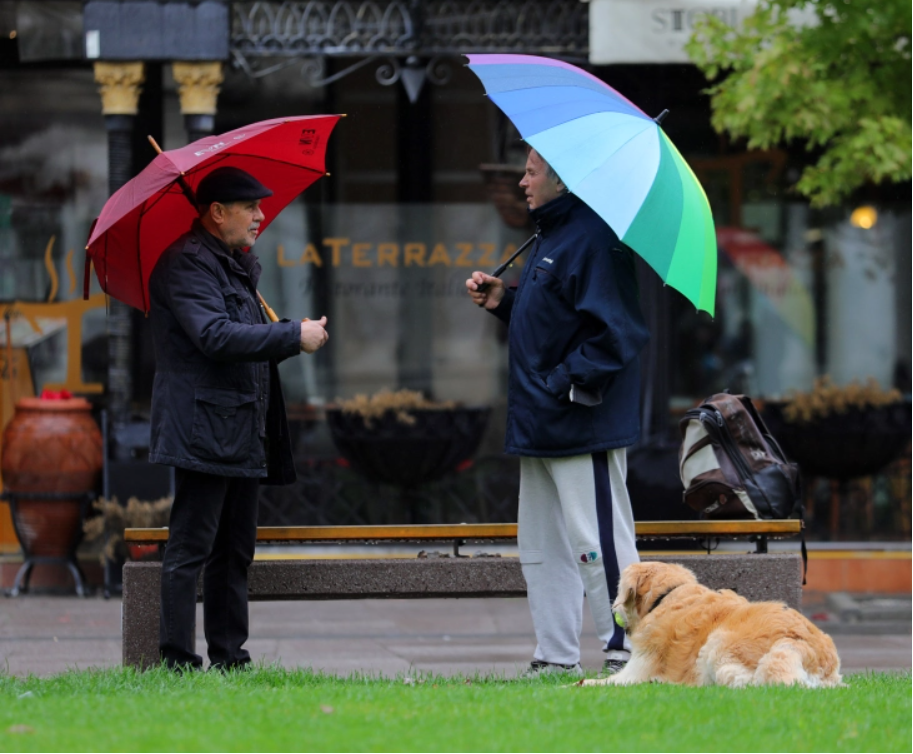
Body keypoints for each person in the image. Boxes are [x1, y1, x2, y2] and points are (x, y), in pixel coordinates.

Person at [465, 148, 650, 677]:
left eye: (531, 171)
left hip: (578, 422)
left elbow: (620, 333)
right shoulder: (555, 235)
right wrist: (506, 301)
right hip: (543, 422)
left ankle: (627, 651)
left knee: (599, 542)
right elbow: (557, 322)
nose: (522, 181)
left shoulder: (593, 238)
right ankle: (554, 657)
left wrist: (561, 384)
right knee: (542, 547)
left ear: (563, 181)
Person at [148, 166, 329, 671]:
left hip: (241, 429)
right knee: (192, 547)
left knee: (234, 552)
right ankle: (178, 662)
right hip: (203, 430)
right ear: (217, 212)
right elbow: (216, 337)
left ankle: (231, 659)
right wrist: (293, 335)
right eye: (250, 207)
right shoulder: (186, 264)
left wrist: (284, 327)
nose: (261, 215)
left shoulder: (232, 264)